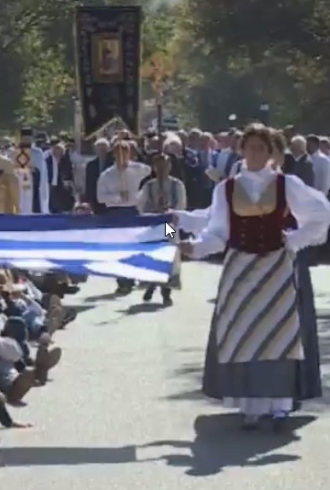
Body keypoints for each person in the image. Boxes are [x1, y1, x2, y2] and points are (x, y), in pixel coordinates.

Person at [178, 123, 330, 431]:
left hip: (276, 267)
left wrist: (296, 239)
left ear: (271, 151)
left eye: (262, 148)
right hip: (240, 268)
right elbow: (216, 231)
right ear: (242, 150)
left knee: (279, 337)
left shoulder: (287, 184)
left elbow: (320, 214)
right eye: (250, 147)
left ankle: (280, 405)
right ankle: (248, 403)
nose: (255, 153)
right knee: (241, 333)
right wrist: (189, 246)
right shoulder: (227, 188)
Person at [96, 140, 152, 294]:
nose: (122, 156)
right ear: (113, 154)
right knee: (118, 247)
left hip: (133, 212)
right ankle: (122, 280)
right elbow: (100, 197)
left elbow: (150, 170)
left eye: (125, 152)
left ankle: (135, 275)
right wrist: (117, 197)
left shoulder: (138, 169)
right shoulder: (107, 175)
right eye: (119, 153)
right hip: (115, 213)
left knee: (134, 246)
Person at [137, 153, 186, 305]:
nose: (162, 169)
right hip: (153, 225)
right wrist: (151, 212)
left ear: (170, 166)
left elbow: (181, 204)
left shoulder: (176, 185)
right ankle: (151, 283)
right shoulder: (148, 186)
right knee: (152, 253)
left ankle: (166, 291)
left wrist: (170, 210)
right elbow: (140, 204)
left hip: (168, 225)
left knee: (169, 253)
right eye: (158, 166)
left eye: (164, 166)